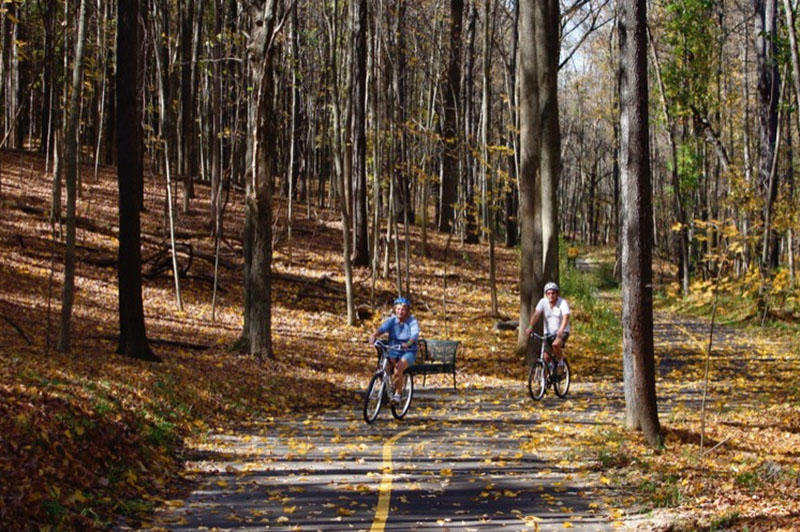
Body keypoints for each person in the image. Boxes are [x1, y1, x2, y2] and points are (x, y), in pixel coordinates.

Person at [369, 297, 420, 404]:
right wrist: (374, 335)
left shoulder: (412, 321)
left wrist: (408, 343)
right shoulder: (392, 320)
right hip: (393, 349)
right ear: (395, 309)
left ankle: (397, 394)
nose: (400, 312)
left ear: (407, 311)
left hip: (408, 351)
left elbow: (415, 334)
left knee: (398, 368)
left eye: (403, 309)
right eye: (398, 309)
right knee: (385, 367)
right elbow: (382, 329)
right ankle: (387, 389)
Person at [525, 282, 570, 373]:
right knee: (546, 358)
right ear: (546, 294)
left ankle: (561, 363)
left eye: (553, 293)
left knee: (555, 345)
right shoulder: (543, 302)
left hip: (562, 331)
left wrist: (561, 329)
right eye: (548, 293)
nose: (551, 295)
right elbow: (536, 315)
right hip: (548, 333)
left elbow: (566, 316)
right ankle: (545, 379)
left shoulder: (562, 303)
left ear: (557, 294)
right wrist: (530, 327)